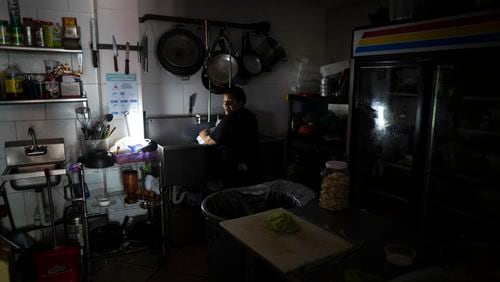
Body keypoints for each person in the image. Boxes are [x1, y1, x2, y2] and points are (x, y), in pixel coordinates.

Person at [198, 86, 259, 188]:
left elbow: (211, 141)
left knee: (231, 197)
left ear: (240, 102)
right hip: (249, 165)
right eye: (224, 101)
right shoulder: (250, 115)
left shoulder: (229, 120)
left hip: (232, 168)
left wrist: (203, 135)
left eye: (230, 101)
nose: (225, 104)